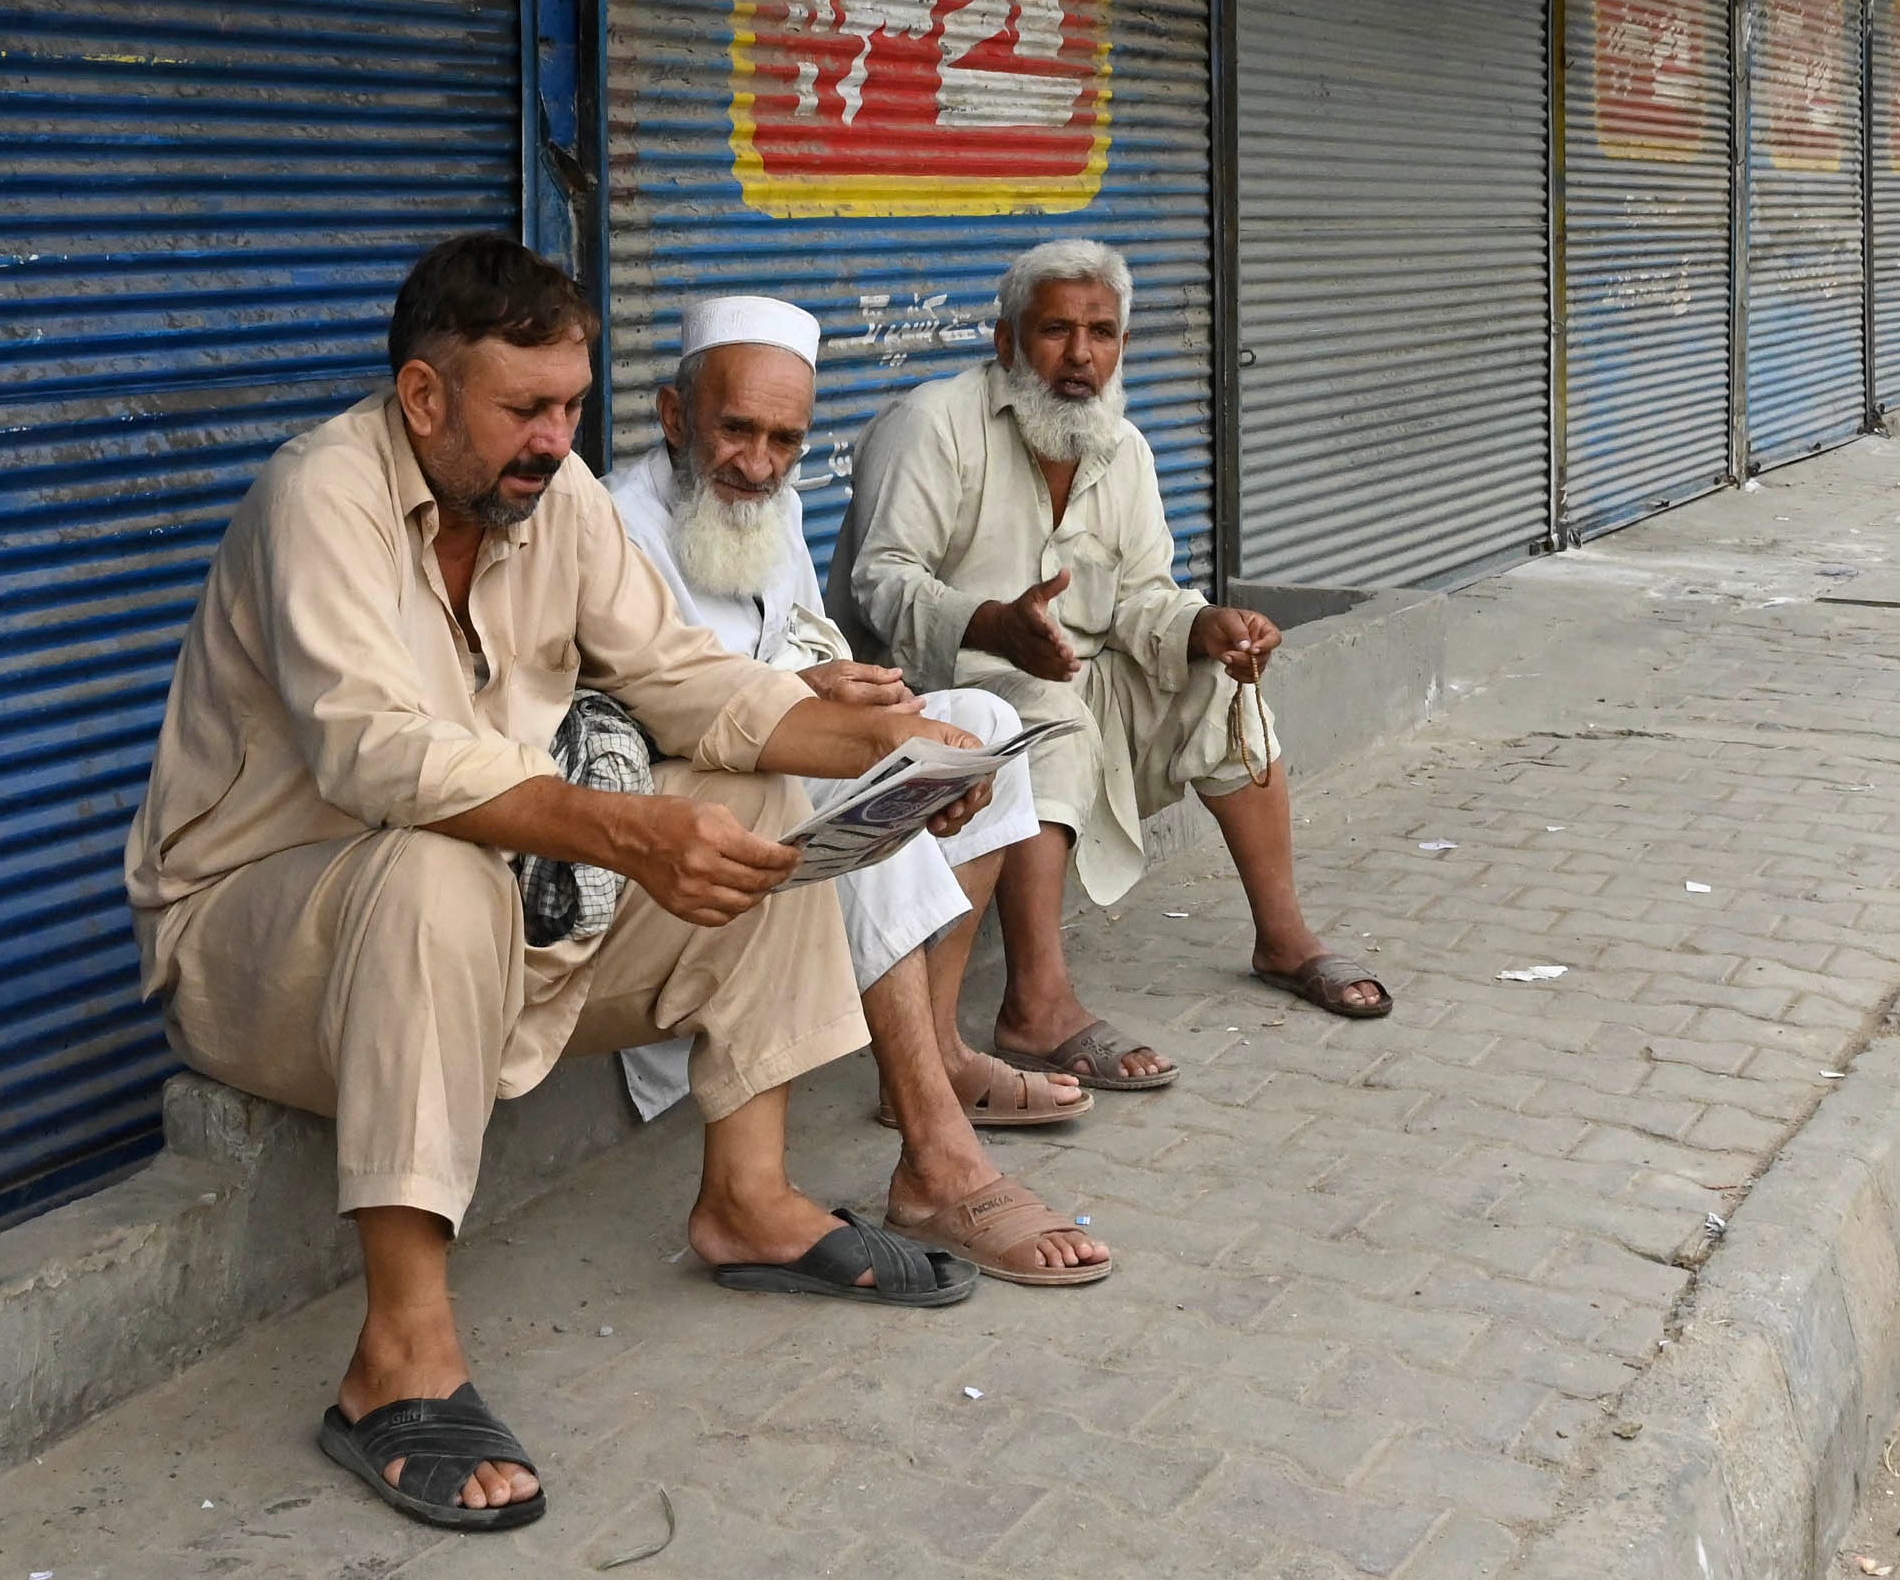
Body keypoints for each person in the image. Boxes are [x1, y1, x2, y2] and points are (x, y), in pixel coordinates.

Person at [126, 236, 999, 1535]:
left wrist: (884, 742)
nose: (554, 437)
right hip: (257, 943)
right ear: (424, 398)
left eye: (572, 406)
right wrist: (624, 829)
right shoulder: (322, 496)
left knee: (757, 798)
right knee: (435, 870)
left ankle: (750, 1201)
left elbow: (687, 684)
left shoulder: (557, 499)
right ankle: (395, 1366)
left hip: (498, 908)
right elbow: (380, 752)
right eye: (523, 408)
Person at [608, 296, 1110, 1288]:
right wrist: (806, 702)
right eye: (736, 430)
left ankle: (936, 1057)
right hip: (680, 833)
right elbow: (632, 717)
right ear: (675, 417)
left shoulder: (773, 507)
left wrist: (862, 693)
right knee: (821, 776)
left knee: (984, 725)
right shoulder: (610, 525)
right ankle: (935, 1153)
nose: (758, 464)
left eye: (785, 440)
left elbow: (800, 642)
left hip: (774, 774)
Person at [829, 237, 1387, 1096]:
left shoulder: (1120, 447)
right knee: (1041, 712)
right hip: (937, 687)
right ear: (1006, 341)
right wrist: (993, 624)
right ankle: (1035, 1006)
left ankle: (1283, 939)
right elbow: (880, 582)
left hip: (1072, 677)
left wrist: (1207, 625)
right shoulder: (933, 424)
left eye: (1102, 332)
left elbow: (1141, 597)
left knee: (1218, 685)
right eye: (1055, 330)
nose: (1081, 356)